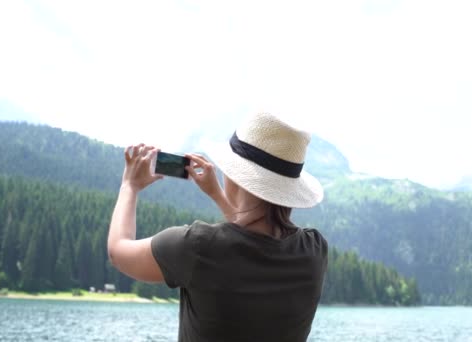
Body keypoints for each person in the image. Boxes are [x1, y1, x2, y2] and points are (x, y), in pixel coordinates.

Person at [107, 112, 328, 342]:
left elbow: (118, 251)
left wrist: (129, 186)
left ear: (236, 176)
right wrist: (218, 195)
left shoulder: (198, 247)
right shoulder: (314, 251)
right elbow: (256, 239)